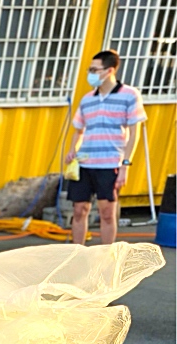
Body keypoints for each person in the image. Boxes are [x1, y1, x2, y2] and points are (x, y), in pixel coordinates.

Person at [65, 50, 147, 245]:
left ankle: (106, 257)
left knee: (107, 212)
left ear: (110, 70)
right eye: (89, 69)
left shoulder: (129, 95)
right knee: (79, 209)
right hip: (84, 162)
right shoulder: (87, 99)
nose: (91, 73)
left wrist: (125, 165)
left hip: (110, 162)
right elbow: (78, 129)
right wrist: (72, 150)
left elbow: (134, 134)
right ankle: (77, 253)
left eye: (95, 69)